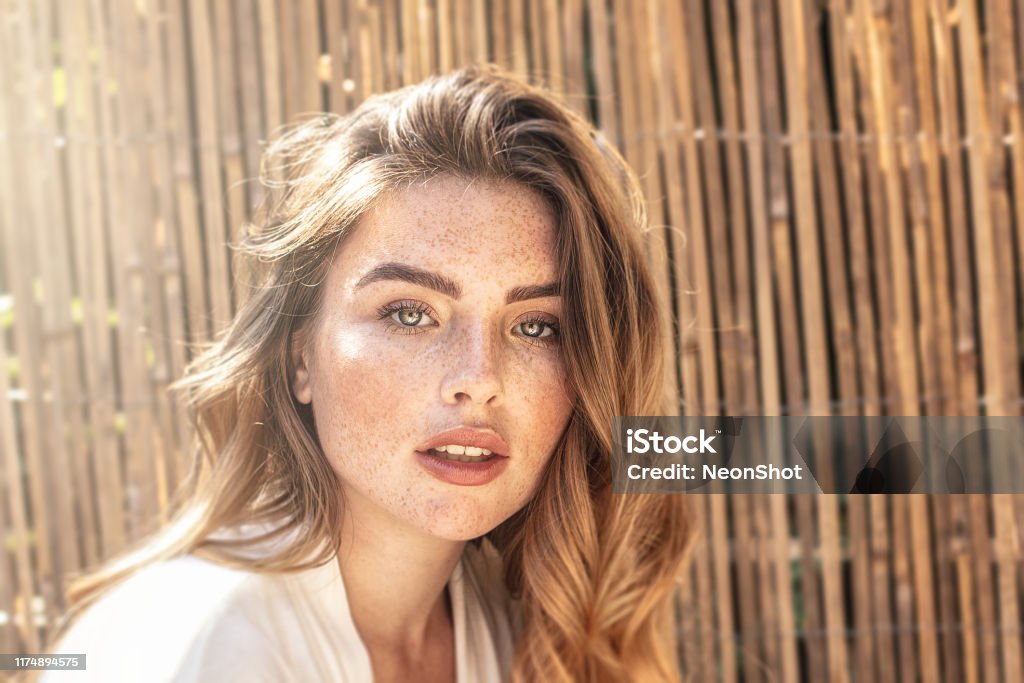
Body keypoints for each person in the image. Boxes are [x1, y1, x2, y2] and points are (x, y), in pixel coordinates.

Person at [42, 65, 695, 682]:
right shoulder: (213, 639)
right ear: (301, 356)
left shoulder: (520, 626)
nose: (478, 377)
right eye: (411, 313)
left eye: (535, 325)